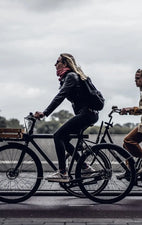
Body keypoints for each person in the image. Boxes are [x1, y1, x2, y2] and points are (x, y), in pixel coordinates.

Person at [34, 53, 99, 182]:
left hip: (87, 114)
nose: (55, 64)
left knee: (57, 136)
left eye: (57, 62)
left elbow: (60, 96)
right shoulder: (69, 77)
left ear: (64, 64)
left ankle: (63, 173)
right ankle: (85, 167)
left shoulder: (71, 77)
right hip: (89, 114)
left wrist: (45, 113)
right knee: (64, 139)